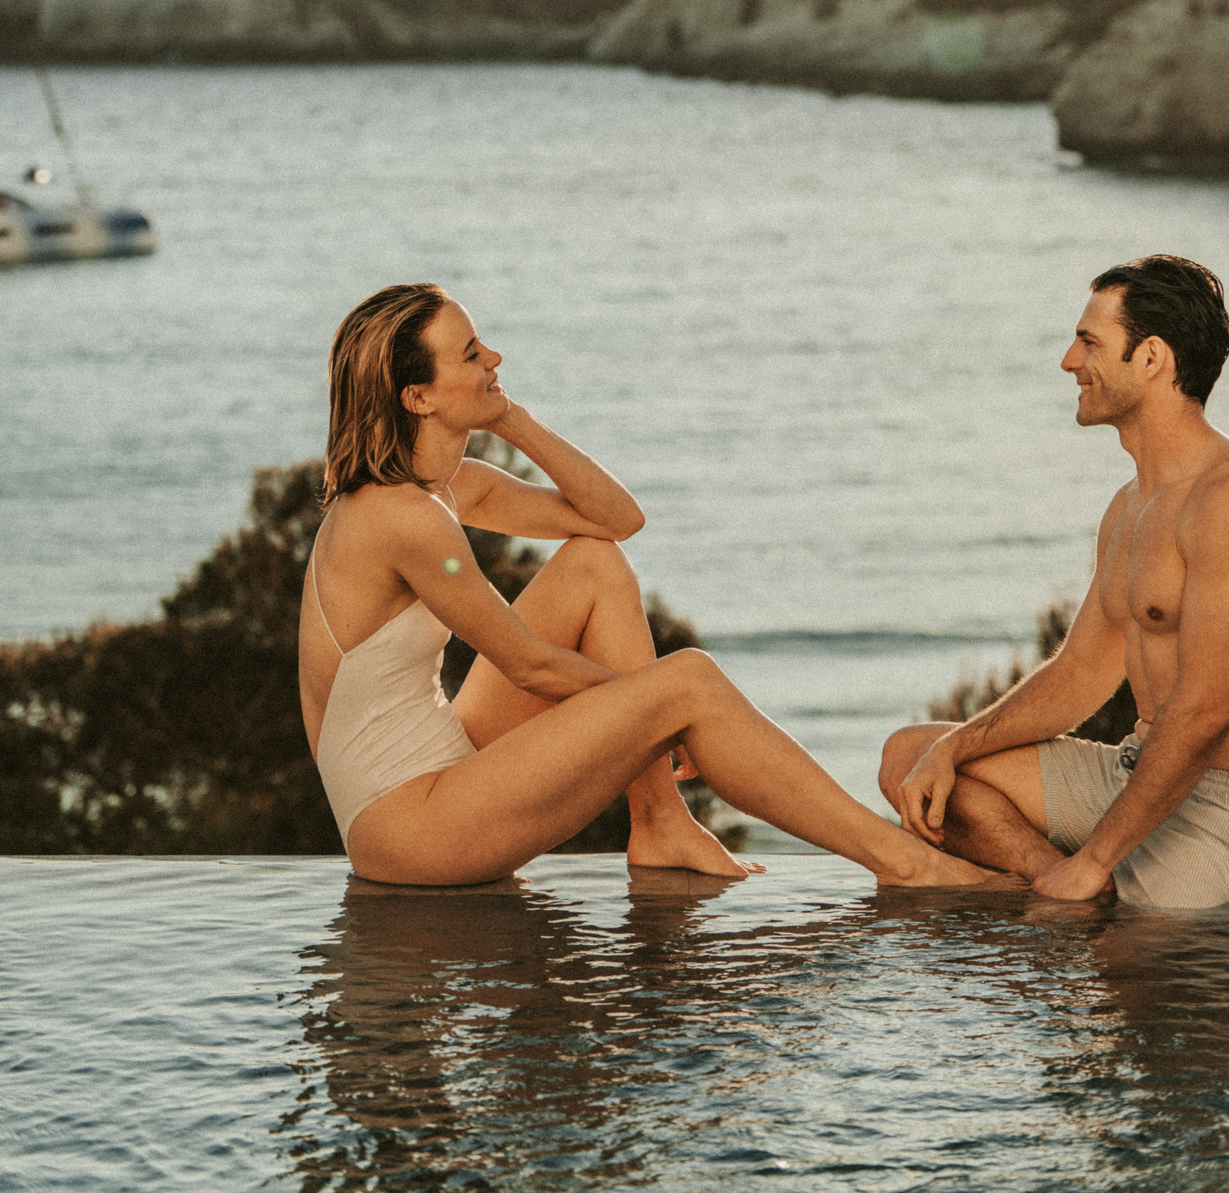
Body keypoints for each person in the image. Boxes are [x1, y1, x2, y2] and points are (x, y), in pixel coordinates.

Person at [300, 282, 1012, 891]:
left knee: (592, 565)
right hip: (408, 829)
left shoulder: (440, 487)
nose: (494, 359)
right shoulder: (401, 518)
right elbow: (529, 664)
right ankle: (903, 862)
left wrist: (509, 415)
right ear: (418, 395)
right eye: (471, 355)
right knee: (689, 681)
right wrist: (654, 715)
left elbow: (615, 519)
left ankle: (661, 822)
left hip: (438, 766)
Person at [879, 256, 1229, 909]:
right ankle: (1063, 884)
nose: (1067, 361)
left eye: (1088, 342)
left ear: (1151, 358)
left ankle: (1088, 884)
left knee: (1135, 950)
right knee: (911, 759)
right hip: (1137, 770)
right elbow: (1080, 673)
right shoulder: (1131, 508)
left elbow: (1205, 712)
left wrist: (1096, 855)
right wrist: (954, 746)